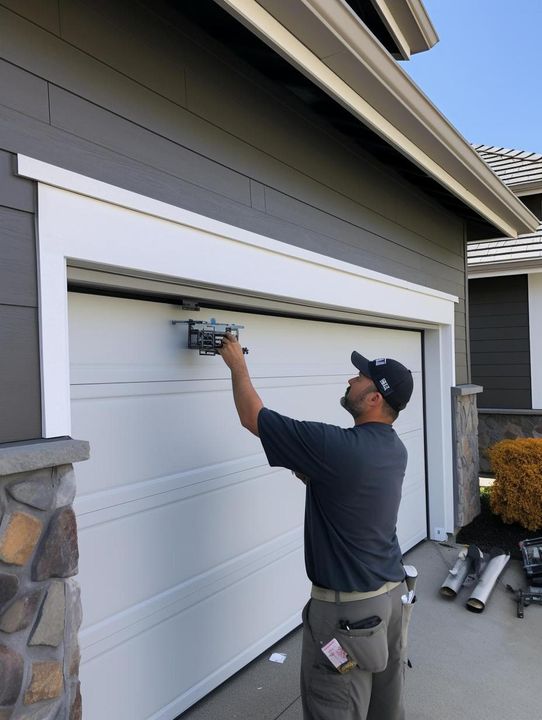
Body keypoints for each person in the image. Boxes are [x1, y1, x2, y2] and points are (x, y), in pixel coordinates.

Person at [218, 332, 414, 720]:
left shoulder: (336, 447)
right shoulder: (394, 449)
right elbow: (346, 489)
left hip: (349, 618)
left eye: (360, 378)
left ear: (375, 398)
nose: (350, 380)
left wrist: (237, 364)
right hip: (390, 602)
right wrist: (307, 468)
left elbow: (252, 416)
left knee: (334, 703)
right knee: (383, 710)